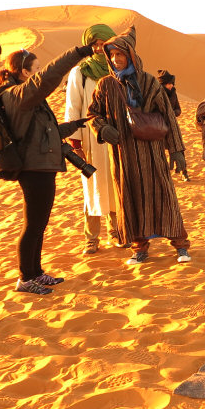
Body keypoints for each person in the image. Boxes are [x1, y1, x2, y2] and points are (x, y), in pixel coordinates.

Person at [87, 26, 191, 265]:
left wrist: (176, 150)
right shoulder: (105, 85)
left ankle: (181, 246)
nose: (116, 59)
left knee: (165, 196)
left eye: (120, 54)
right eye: (112, 55)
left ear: (131, 55)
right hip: (123, 155)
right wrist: (102, 128)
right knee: (130, 199)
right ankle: (139, 248)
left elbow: (167, 115)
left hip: (152, 153)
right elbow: (93, 114)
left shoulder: (149, 82)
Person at [0, 43, 93, 295]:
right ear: (25, 72)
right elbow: (50, 76)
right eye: (36, 69)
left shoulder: (30, 100)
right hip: (33, 169)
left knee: (39, 224)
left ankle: (36, 272)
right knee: (33, 225)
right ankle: (25, 278)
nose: (39, 73)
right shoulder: (19, 95)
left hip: (42, 166)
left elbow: (46, 133)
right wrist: (79, 52)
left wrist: (77, 124)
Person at [65, 23, 124, 255]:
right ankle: (91, 237)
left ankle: (115, 231)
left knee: (116, 184)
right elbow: (73, 108)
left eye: (103, 45)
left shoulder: (118, 70)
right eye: (95, 45)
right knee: (93, 187)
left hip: (116, 138)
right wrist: (75, 144)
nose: (99, 49)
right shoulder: (79, 73)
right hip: (90, 139)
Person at [157, 69, 189, 182]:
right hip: (160, 127)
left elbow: (178, 109)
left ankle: (184, 173)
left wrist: (172, 113)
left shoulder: (173, 93)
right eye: (169, 84)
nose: (171, 86)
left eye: (172, 84)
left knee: (179, 149)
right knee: (159, 151)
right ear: (163, 84)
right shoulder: (157, 94)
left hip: (173, 127)